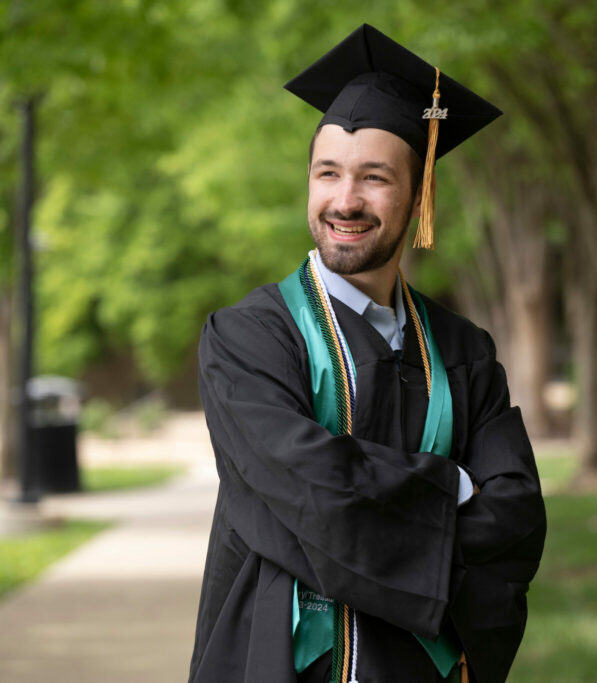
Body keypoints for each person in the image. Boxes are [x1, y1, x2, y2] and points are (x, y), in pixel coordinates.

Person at [188, 24, 546, 683]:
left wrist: (366, 513)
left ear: (417, 195)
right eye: (328, 173)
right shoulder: (248, 339)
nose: (344, 200)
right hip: (278, 662)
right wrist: (455, 486)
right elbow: (314, 488)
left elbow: (517, 518)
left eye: (374, 178)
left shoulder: (462, 351)